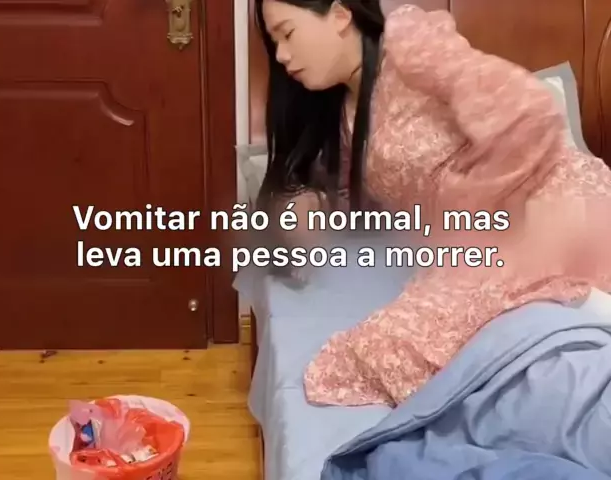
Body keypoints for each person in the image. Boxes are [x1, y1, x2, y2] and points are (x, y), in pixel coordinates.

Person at [254, 0, 611, 407]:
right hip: (480, 248)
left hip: (543, 205)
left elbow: (528, 113)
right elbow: (358, 201)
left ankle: (578, 302)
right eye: (274, 43)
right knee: (375, 351)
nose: (281, 55)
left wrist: (467, 211)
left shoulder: (409, 42)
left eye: (287, 33)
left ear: (340, 15)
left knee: (401, 345)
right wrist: (309, 206)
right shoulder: (344, 120)